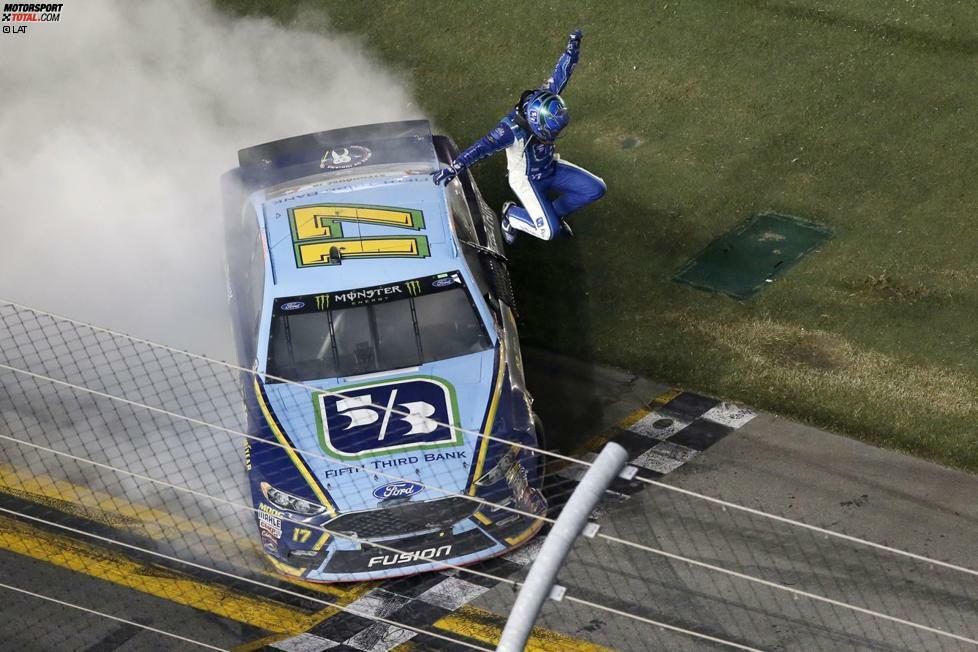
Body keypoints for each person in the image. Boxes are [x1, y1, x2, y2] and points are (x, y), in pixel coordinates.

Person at [432, 28, 606, 244]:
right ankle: (511, 216)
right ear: (536, 123)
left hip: (549, 167)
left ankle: (552, 215)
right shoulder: (510, 130)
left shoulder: (545, 99)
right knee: (548, 233)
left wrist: (572, 51)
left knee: (596, 189)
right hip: (527, 180)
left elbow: (561, 74)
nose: (554, 136)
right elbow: (482, 147)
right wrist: (454, 168)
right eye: (551, 132)